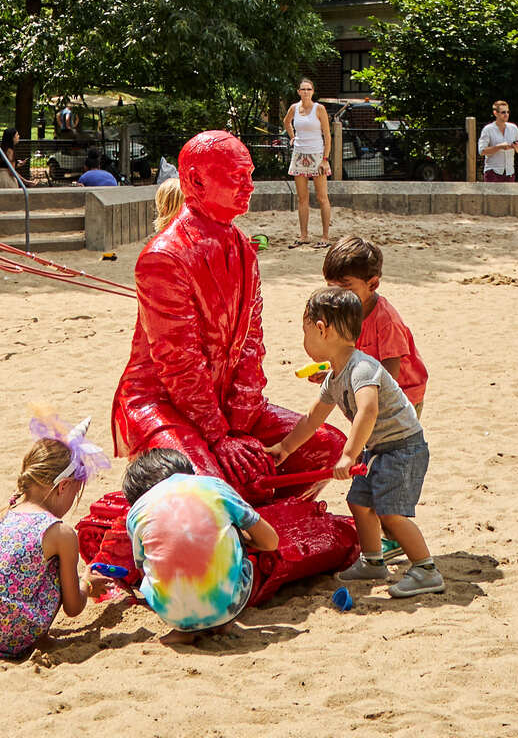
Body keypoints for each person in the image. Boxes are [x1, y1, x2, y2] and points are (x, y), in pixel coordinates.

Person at [109, 130, 342, 501]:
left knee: (327, 448)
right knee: (208, 486)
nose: (249, 186)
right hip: (164, 404)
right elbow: (179, 362)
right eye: (237, 176)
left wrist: (241, 420)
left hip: (224, 405)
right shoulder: (164, 258)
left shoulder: (244, 249)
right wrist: (219, 434)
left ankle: (268, 520)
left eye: (249, 175)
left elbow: (252, 343)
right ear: (197, 181)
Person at [271, 285, 441, 597]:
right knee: (359, 502)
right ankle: (373, 560)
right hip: (378, 449)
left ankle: (426, 569)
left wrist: (349, 455)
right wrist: (285, 447)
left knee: (390, 512)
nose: (304, 341)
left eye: (305, 332)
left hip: (403, 447)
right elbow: (312, 418)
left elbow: (368, 409)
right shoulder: (334, 376)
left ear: (322, 329)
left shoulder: (362, 368)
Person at [0, 428, 115, 661]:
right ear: (63, 486)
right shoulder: (59, 532)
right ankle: (38, 638)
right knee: (55, 566)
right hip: (11, 631)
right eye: (75, 493)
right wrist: (85, 584)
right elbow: (73, 608)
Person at [118, 448, 277, 638]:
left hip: (171, 614)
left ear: (137, 495)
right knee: (229, 525)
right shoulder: (212, 486)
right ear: (188, 471)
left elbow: (143, 569)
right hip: (229, 605)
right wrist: (242, 538)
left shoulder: (136, 512)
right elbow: (271, 542)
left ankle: (184, 632)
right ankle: (223, 624)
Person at [321, 235, 427, 409]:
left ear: (372, 285)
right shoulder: (344, 312)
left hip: (400, 398)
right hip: (368, 390)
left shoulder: (386, 321)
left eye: (345, 288)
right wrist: (333, 375)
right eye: (330, 287)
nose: (336, 297)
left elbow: (390, 375)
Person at [286, 77, 332, 245]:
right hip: (299, 155)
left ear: (313, 92)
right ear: (298, 92)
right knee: (302, 198)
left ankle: (325, 236)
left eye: (309, 89)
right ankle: (304, 235)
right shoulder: (294, 108)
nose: (306, 92)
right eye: (303, 89)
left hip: (317, 155)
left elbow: (327, 135)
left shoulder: (319, 109)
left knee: (322, 197)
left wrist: (325, 159)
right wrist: (292, 137)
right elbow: (286, 122)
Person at [476, 99, 518, 180]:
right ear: (495, 113)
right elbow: (482, 151)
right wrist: (499, 147)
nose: (506, 114)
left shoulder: (513, 128)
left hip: (509, 173)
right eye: (503, 112)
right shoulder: (488, 129)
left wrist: (515, 147)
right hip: (492, 173)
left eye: (508, 112)